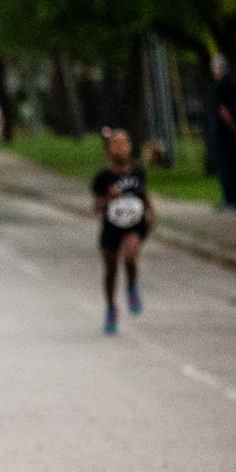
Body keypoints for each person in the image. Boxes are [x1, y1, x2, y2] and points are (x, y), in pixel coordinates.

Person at [91, 127, 154, 335]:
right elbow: (96, 207)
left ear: (130, 147)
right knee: (110, 269)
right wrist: (109, 198)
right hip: (111, 226)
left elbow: (143, 193)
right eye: (116, 144)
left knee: (130, 256)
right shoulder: (103, 177)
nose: (121, 147)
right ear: (108, 150)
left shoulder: (137, 172)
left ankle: (132, 286)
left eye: (124, 143)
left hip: (134, 224)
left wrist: (151, 212)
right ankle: (110, 308)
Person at [209, 54, 236, 211]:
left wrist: (231, 125)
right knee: (233, 163)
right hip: (233, 133)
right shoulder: (234, 83)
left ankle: (229, 199)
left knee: (225, 165)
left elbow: (222, 109)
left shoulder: (220, 85)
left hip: (223, 131)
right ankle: (234, 197)